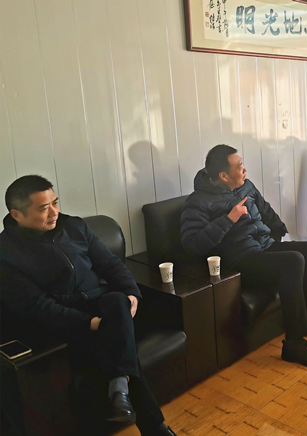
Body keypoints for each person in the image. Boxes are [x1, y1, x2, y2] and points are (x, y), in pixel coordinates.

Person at [0, 175, 176, 436]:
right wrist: (88, 323)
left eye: (55, 203)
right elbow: (35, 307)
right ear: (16, 214)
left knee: (117, 299)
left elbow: (110, 264)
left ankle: (121, 390)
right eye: (43, 208)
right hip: (62, 322)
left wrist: (131, 292)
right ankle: (148, 420)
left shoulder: (74, 226)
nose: (54, 212)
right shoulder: (5, 252)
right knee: (116, 341)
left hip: (100, 304)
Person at [180, 145, 307, 369]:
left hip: (264, 246)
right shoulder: (198, 202)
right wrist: (229, 219)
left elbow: (267, 212)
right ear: (223, 176)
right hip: (240, 260)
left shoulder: (246, 186)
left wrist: (280, 233)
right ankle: (294, 344)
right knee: (293, 261)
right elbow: (192, 245)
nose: (244, 169)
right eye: (239, 166)